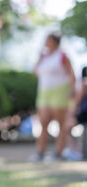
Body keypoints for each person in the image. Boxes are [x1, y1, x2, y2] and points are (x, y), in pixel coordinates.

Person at [31, 32, 76, 161]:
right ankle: (41, 152)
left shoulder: (63, 56)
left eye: (48, 40)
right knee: (43, 122)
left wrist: (72, 92)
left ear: (55, 42)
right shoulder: (43, 57)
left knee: (61, 124)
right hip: (44, 93)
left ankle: (59, 152)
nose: (46, 42)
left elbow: (71, 75)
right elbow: (35, 72)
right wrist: (39, 58)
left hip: (59, 92)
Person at [63, 66, 87, 161]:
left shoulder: (84, 83)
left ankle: (76, 152)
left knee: (66, 127)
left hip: (85, 113)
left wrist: (71, 114)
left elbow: (78, 99)